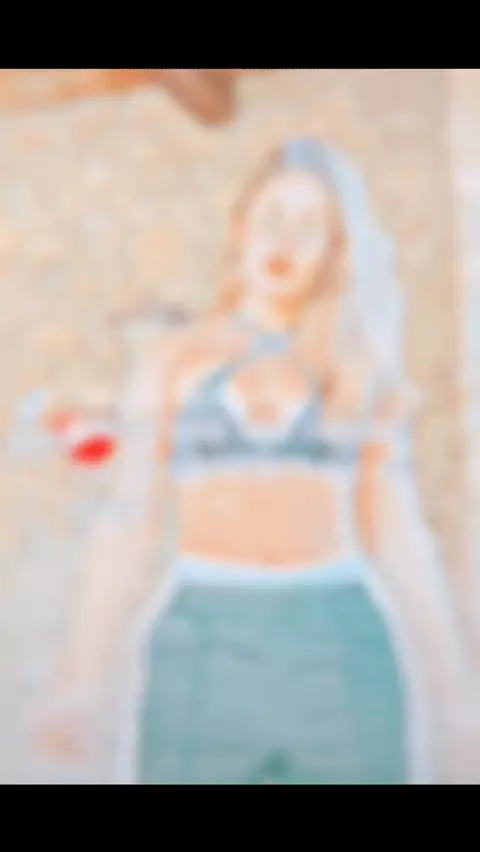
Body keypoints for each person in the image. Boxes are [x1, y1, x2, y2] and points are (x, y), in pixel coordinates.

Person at [36, 138, 475, 784]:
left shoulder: (358, 372)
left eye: (309, 225)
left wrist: (459, 704)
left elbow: (400, 538)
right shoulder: (174, 361)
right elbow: (129, 521)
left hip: (339, 642)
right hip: (204, 641)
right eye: (271, 217)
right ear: (240, 228)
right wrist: (82, 681)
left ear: (334, 249)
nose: (284, 241)